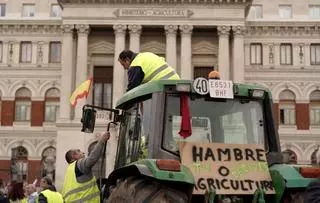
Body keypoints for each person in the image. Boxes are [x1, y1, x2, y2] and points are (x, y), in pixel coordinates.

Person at [61, 131, 110, 203]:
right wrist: (102, 140)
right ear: (74, 156)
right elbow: (92, 159)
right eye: (79, 151)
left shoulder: (69, 172)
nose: (83, 153)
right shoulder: (79, 164)